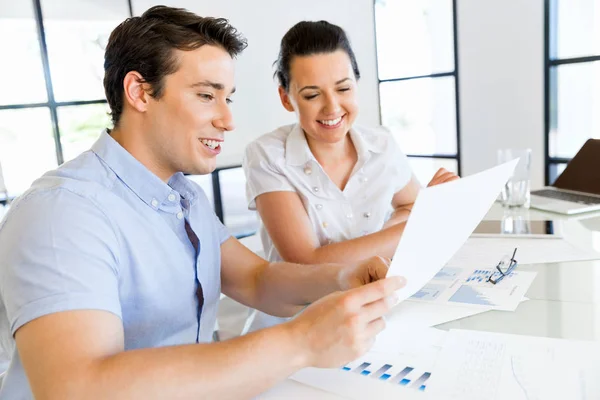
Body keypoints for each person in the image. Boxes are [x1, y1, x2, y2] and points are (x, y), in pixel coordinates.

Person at [0, 7, 406, 399]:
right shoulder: (60, 212)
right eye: (206, 96)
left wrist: (339, 279)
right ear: (139, 92)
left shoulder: (184, 197)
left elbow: (256, 280)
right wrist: (301, 340)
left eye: (226, 98)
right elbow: (77, 388)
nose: (228, 120)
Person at [243, 20, 458, 330]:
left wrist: (419, 214)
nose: (332, 108)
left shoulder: (381, 143)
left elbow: (408, 205)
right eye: (311, 95)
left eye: (343, 88)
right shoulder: (266, 154)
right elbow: (308, 263)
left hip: (379, 308)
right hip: (299, 323)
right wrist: (421, 221)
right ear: (286, 97)